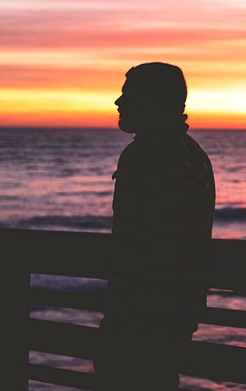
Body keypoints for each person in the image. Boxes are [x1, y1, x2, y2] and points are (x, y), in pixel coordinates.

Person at [94, 62, 215, 391]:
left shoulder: (143, 155)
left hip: (141, 316)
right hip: (180, 312)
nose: (119, 103)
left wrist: (115, 320)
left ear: (151, 101)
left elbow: (130, 244)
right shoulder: (195, 155)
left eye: (127, 94)